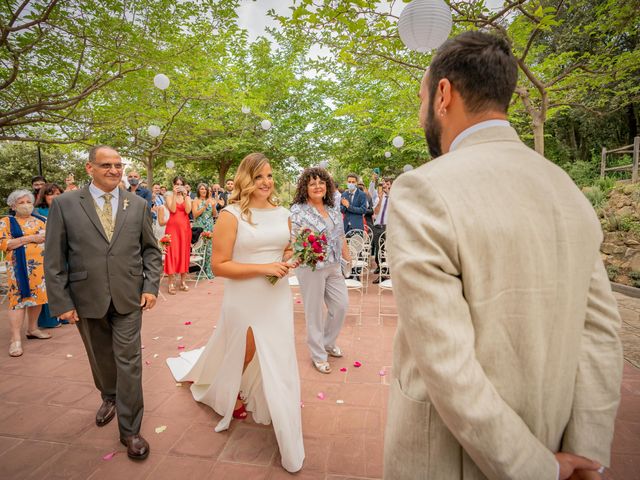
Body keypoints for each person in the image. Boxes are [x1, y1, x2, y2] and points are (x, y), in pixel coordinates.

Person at [384, 31, 622, 480]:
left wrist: (536, 468)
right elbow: (602, 333)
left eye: (420, 100)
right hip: (554, 439)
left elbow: (445, 361)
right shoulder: (567, 190)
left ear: (442, 94)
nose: (420, 117)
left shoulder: (423, 189)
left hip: (452, 459)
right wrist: (586, 452)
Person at [166, 153, 304, 473]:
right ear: (246, 179)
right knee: (246, 349)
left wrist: (290, 256)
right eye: (259, 177)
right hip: (245, 296)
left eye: (269, 176)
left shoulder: (283, 212)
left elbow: (286, 247)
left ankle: (280, 406)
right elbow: (219, 266)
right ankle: (231, 390)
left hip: (277, 295)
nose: (266, 183)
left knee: (280, 351)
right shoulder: (231, 215)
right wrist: (264, 267)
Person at [44, 145, 162, 461]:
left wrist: (151, 286)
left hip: (128, 296)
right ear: (89, 168)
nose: (114, 170)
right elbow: (54, 257)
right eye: (106, 165)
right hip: (86, 297)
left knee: (129, 361)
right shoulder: (66, 204)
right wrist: (61, 301)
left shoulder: (137, 205)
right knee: (100, 358)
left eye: (118, 165)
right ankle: (109, 395)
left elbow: (151, 250)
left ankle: (130, 431)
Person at [290, 167, 351, 374]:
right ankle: (318, 354)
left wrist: (347, 258)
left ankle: (327, 341)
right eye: (312, 183)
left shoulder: (333, 208)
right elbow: (294, 238)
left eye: (321, 183)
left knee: (341, 305)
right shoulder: (298, 210)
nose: (318, 186)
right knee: (314, 311)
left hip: (334, 265)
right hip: (311, 266)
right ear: (305, 188)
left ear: (327, 186)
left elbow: (341, 235)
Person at [0, 190, 50, 357]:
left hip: (40, 267)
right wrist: (30, 239)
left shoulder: (41, 220)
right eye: (21, 203)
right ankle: (15, 339)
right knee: (18, 301)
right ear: (13, 205)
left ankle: (33, 328)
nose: (26, 205)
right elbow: (5, 244)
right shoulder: (6, 222)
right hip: (18, 268)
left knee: (38, 298)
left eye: (28, 202)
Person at [34, 183, 65, 328]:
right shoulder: (38, 212)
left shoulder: (67, 209)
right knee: (49, 283)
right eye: (51, 193)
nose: (55, 196)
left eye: (58, 193)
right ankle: (49, 320)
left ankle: (65, 314)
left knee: (65, 282)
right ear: (44, 196)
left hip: (65, 250)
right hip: (46, 251)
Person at [163, 176, 192, 294]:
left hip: (185, 229)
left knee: (184, 254)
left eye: (181, 184)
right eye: (177, 184)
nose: (179, 186)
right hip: (172, 229)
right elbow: (173, 210)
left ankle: (182, 282)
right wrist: (175, 195)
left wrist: (186, 196)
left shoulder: (187, 197)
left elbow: (188, 211)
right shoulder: (169, 197)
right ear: (173, 185)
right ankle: (170, 283)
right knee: (172, 254)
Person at [192, 182, 217, 279]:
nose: (203, 190)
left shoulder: (211, 200)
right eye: (201, 189)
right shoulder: (196, 200)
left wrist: (214, 206)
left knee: (209, 250)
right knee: (200, 249)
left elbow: (215, 215)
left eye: (205, 189)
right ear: (198, 190)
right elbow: (195, 215)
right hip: (200, 227)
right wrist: (205, 206)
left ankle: (208, 270)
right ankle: (200, 271)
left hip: (209, 227)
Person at [371, 177, 392, 284]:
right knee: (379, 251)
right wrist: (379, 200)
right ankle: (382, 274)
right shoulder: (380, 196)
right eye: (384, 184)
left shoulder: (395, 196)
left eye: (387, 184)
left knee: (388, 252)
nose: (385, 186)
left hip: (390, 227)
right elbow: (375, 211)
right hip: (379, 226)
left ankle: (389, 272)